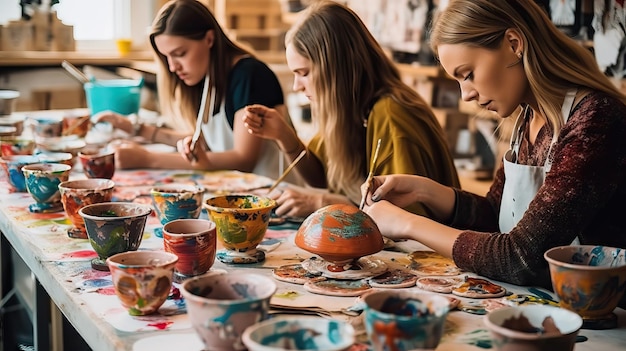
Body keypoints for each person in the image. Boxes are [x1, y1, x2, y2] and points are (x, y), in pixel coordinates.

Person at [361, 0, 626, 293]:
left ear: (514, 44)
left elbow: (520, 256)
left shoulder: (595, 120)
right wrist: (425, 191)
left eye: (468, 74)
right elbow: (496, 218)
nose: (466, 95)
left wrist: (408, 224)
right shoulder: (529, 119)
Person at [242, 0, 460, 218]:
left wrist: (322, 201)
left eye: (304, 73)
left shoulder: (391, 113)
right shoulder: (351, 108)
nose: (297, 86)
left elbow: (405, 216)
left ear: (335, 69)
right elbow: (323, 176)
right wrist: (284, 136)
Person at [94, 0, 294, 180]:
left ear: (209, 39)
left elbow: (242, 159)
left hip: (277, 199)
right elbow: (205, 145)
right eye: (166, 58)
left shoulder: (250, 75)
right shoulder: (207, 77)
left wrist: (147, 158)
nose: (173, 67)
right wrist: (135, 128)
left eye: (179, 53)